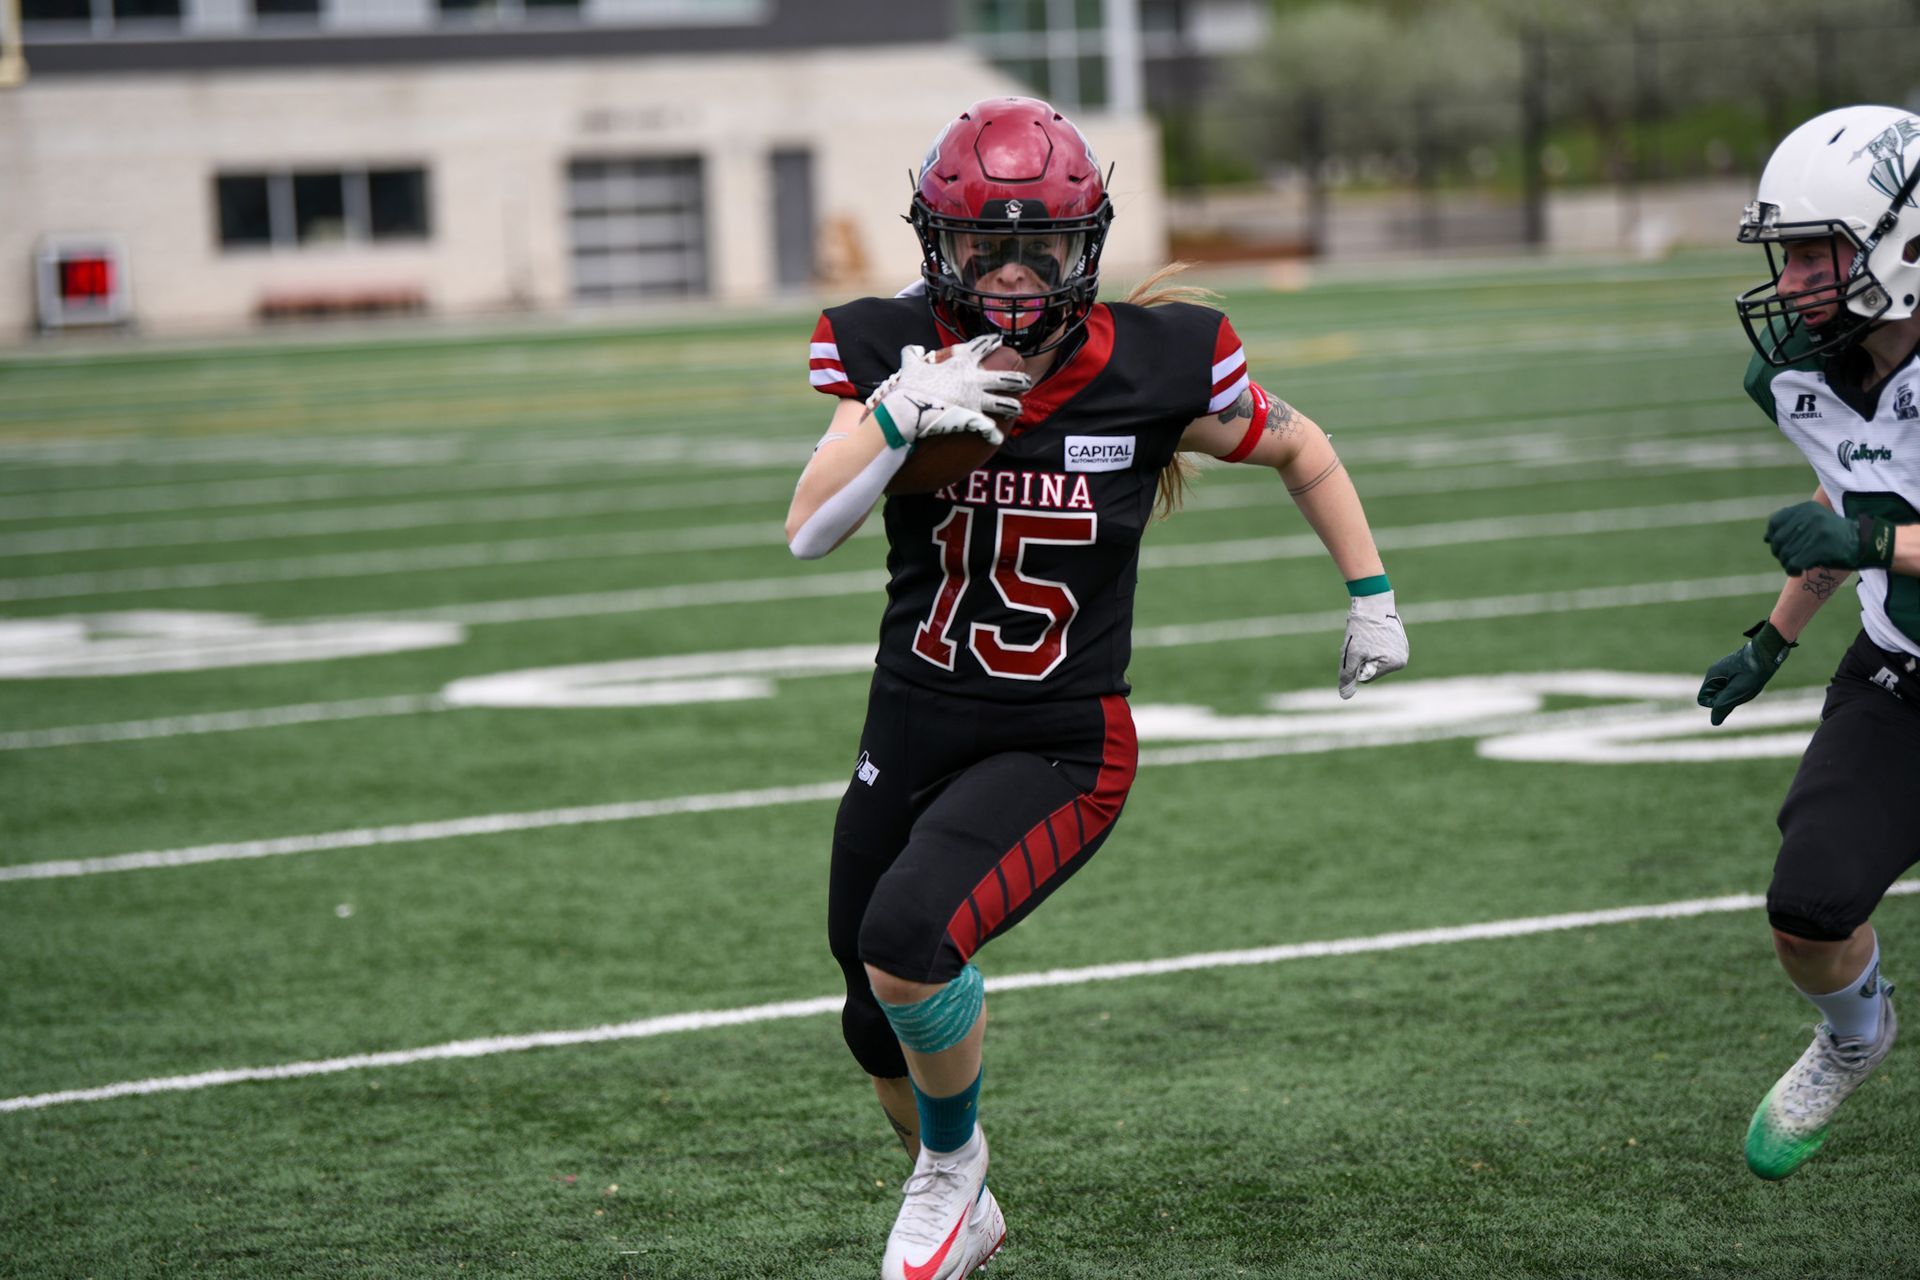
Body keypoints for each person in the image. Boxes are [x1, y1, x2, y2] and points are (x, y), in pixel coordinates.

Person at [784, 96, 1408, 1278]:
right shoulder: (889, 350)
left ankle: (951, 1172)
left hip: (1062, 741)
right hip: (908, 718)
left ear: (1088, 249)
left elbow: (1299, 444)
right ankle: (965, 1190)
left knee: (908, 939)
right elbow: (807, 529)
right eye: (984, 250)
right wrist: (896, 410)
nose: (1013, 281)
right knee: (872, 1014)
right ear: (939, 250)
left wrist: (1370, 590)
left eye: (1042, 251)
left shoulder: (1155, 365)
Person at [1698, 103, 1920, 1181]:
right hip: (1904, 672)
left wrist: (1869, 536)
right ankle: (1854, 1032)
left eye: (1815, 253)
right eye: (1784, 257)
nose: (1790, 284)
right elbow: (1850, 487)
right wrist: (1774, 638)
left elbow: (1867, 519)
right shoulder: (1795, 369)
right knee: (1809, 906)